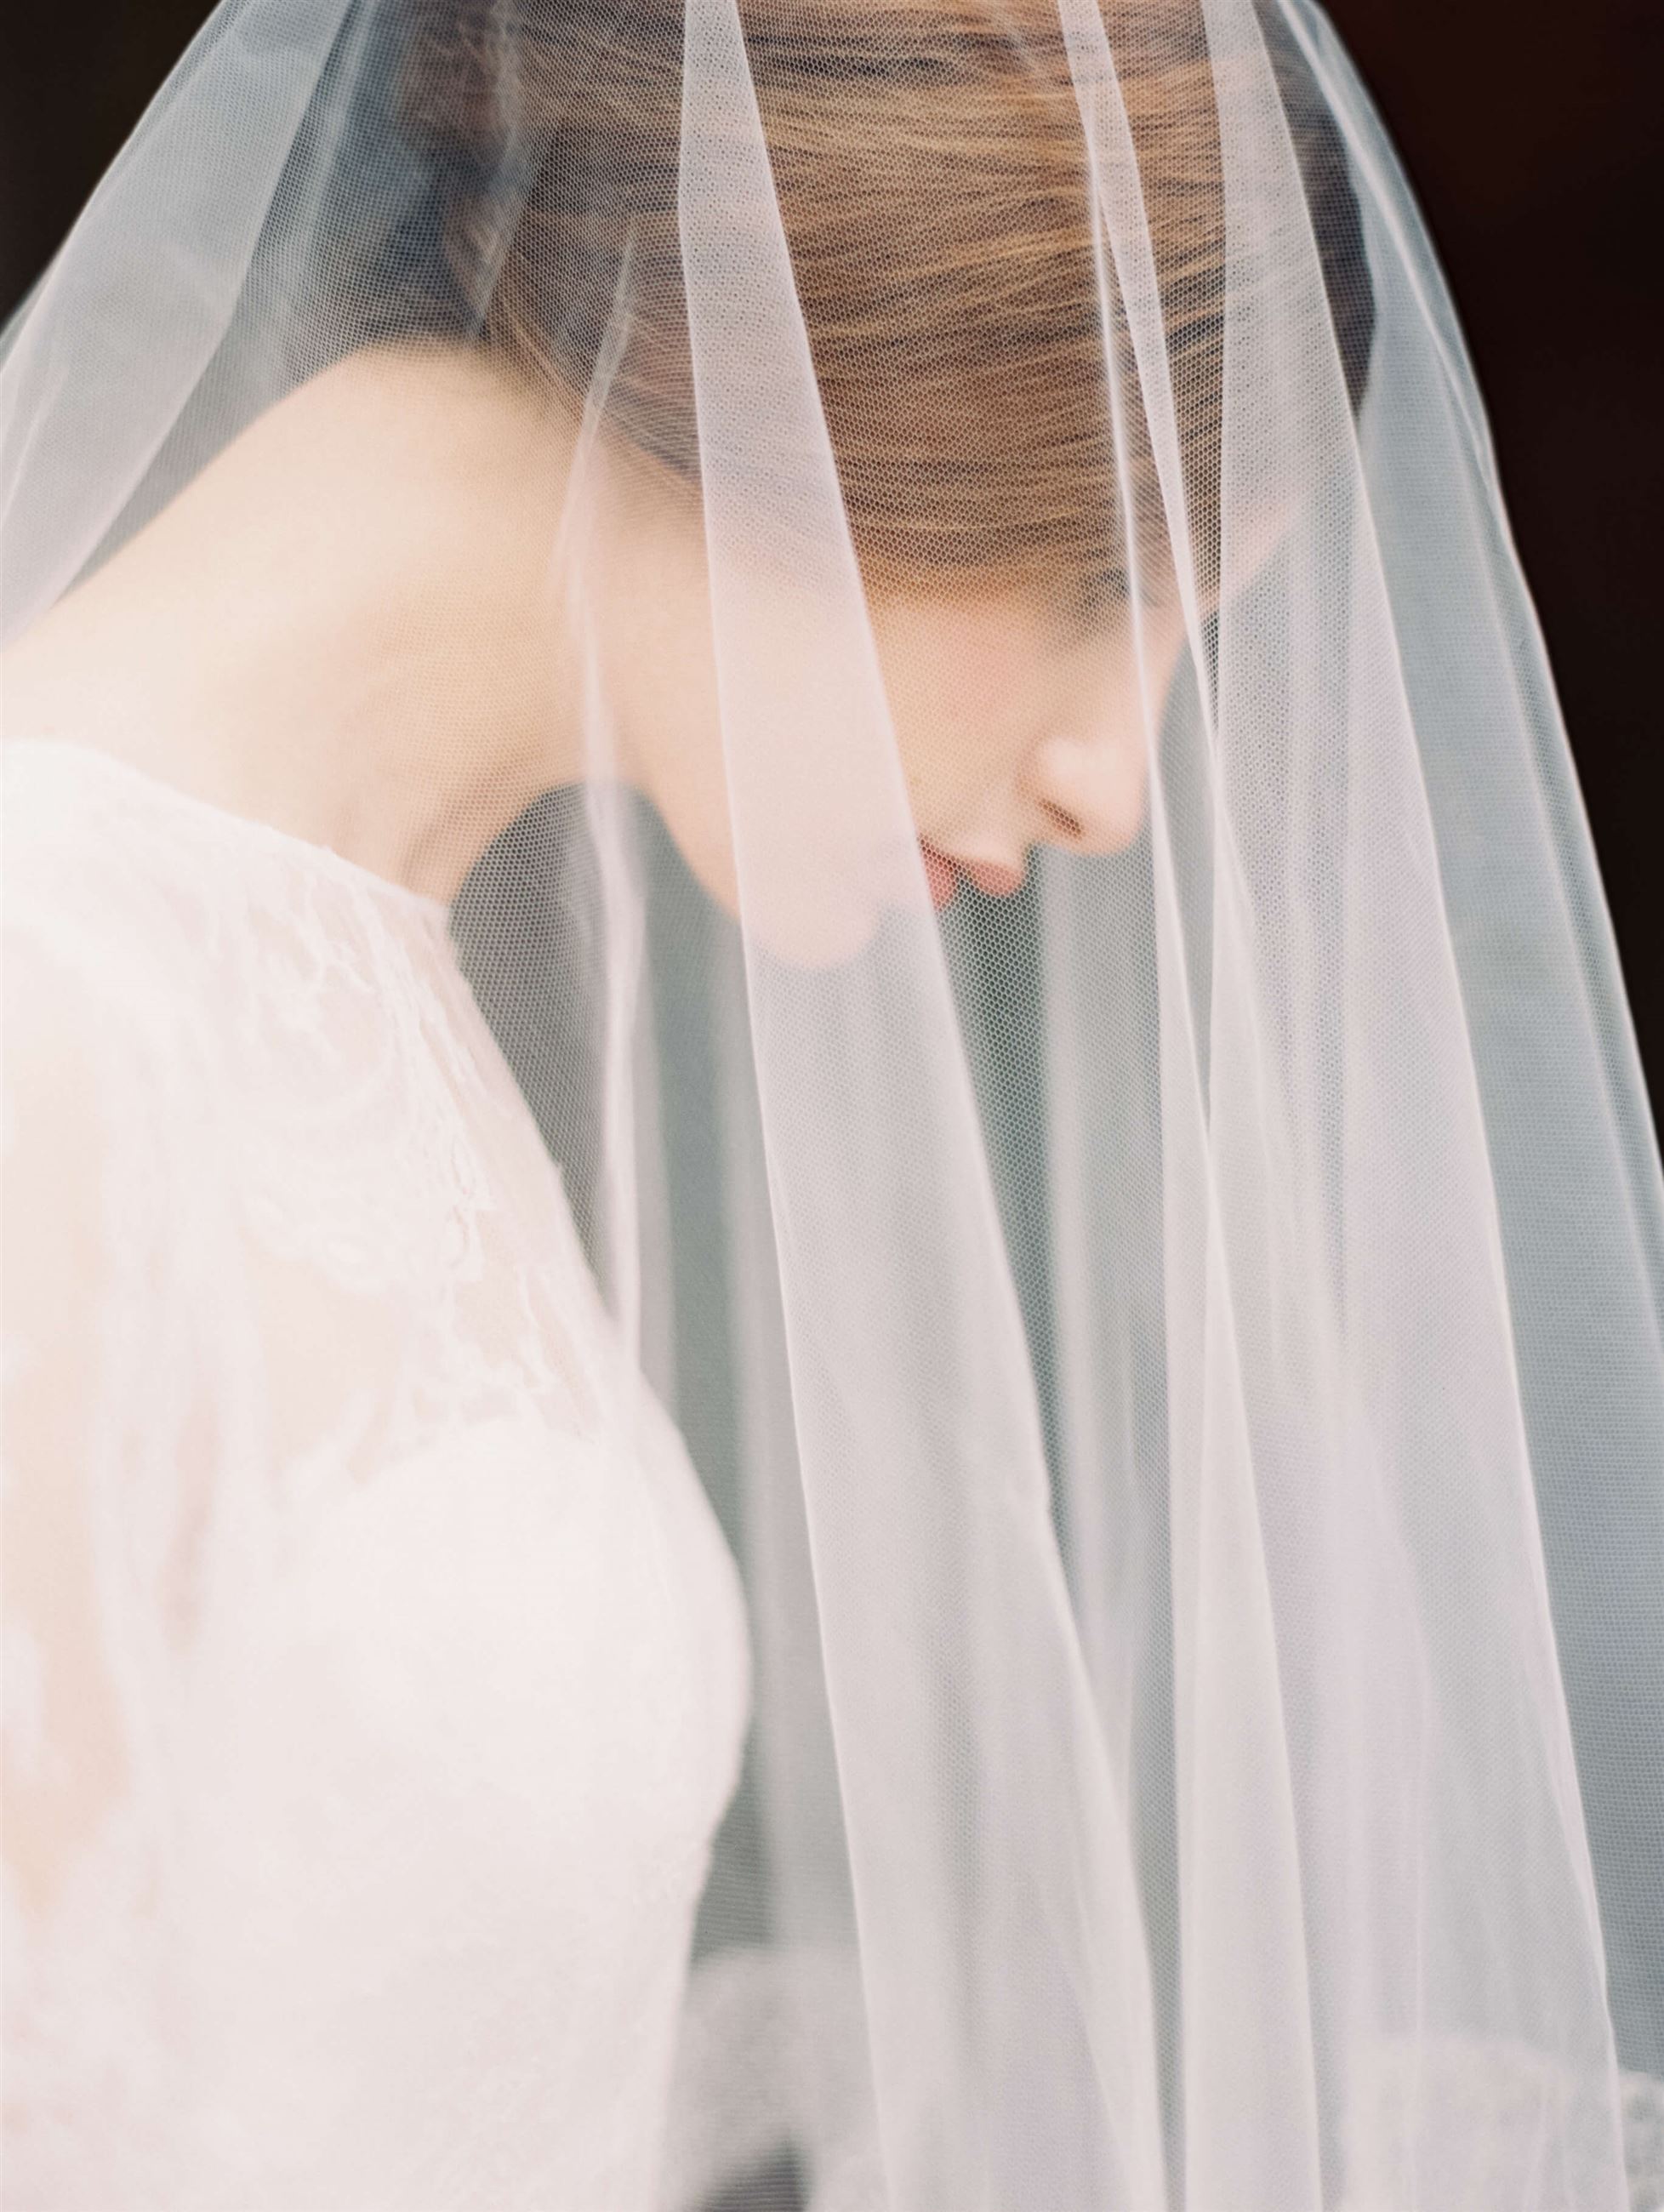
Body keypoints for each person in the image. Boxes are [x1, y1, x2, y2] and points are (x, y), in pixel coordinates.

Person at [3, 0, 1661, 2205]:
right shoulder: (53, 1026)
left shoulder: (349, 985)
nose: (1103, 783)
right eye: (1105, 586)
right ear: (858, 358)